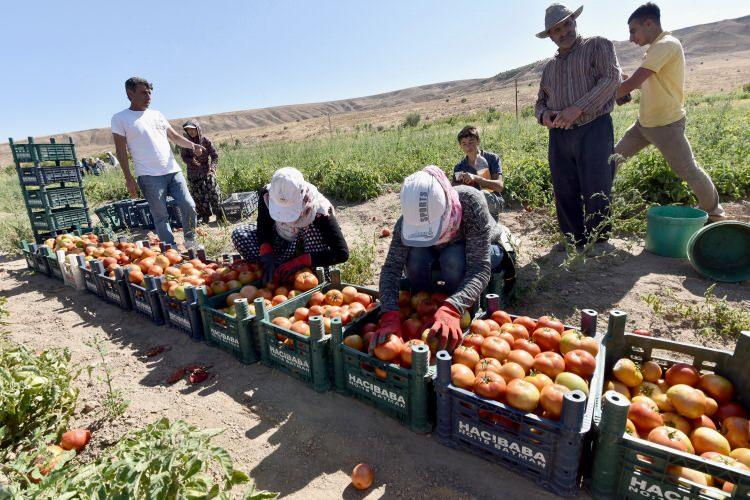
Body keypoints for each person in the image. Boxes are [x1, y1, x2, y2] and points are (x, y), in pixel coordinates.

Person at [374, 166, 515, 354]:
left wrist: (452, 308)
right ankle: (427, 307)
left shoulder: (470, 202)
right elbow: (391, 268)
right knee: (415, 257)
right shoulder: (406, 221)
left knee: (453, 258)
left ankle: (464, 309)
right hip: (440, 253)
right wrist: (389, 314)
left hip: (483, 250)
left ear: (448, 207)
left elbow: (479, 267)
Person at [614, 2, 725, 221]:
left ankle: (714, 212)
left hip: (666, 125)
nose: (630, 38)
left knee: (688, 169)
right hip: (643, 124)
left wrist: (603, 95)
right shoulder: (655, 48)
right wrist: (622, 84)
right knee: (613, 159)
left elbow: (636, 81)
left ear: (649, 23)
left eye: (633, 30)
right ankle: (598, 204)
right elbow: (647, 81)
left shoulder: (666, 44)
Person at [534, 4, 621, 249]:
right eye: (556, 30)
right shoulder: (549, 67)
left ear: (574, 21)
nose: (563, 33)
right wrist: (545, 115)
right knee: (564, 186)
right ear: (550, 35)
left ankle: (599, 239)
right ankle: (573, 238)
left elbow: (611, 78)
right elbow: (540, 102)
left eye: (566, 24)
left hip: (594, 127)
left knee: (596, 183)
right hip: (560, 135)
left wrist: (578, 108)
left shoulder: (597, 45)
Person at [111, 76, 201, 249]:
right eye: (143, 93)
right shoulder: (120, 118)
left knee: (188, 204)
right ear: (130, 94)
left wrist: (192, 145)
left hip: (172, 170)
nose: (149, 97)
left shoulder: (157, 115)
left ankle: (190, 240)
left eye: (150, 93)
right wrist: (128, 178)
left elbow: (174, 137)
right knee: (160, 215)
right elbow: (120, 150)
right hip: (148, 175)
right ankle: (170, 247)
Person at [231, 167, 349, 285]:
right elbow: (264, 226)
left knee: (312, 230)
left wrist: (301, 261)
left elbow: (341, 253)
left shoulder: (320, 209)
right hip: (280, 242)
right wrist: (266, 251)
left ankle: (307, 275)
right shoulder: (268, 195)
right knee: (240, 233)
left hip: (307, 249)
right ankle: (275, 269)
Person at [452, 126, 504, 220]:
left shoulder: (492, 158)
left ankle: (492, 221)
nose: (468, 146)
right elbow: (455, 190)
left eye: (471, 142)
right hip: (472, 206)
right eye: (464, 143)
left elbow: (499, 186)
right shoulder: (459, 167)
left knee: (483, 194)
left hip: (493, 201)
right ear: (460, 146)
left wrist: (475, 178)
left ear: (478, 141)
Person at [179, 120, 222, 224]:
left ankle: (220, 216)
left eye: (193, 129)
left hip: (207, 172)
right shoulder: (186, 143)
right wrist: (190, 161)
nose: (191, 132)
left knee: (214, 193)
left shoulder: (205, 141)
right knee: (199, 197)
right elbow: (184, 157)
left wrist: (213, 168)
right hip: (193, 174)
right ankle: (205, 217)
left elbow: (215, 156)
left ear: (197, 129)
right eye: (188, 130)